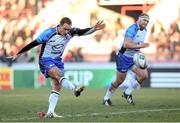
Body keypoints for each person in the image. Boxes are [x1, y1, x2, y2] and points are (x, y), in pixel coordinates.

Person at [9, 17, 105, 118]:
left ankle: (50, 113)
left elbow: (82, 32)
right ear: (59, 26)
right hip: (45, 60)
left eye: (68, 29)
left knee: (57, 85)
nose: (67, 31)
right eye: (65, 29)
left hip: (58, 61)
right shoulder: (48, 33)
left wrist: (94, 28)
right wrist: (18, 53)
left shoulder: (70, 32)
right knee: (59, 75)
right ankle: (75, 89)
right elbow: (33, 44)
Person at [103, 13, 150, 106]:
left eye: (148, 21)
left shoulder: (145, 30)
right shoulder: (132, 28)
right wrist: (141, 46)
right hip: (123, 57)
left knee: (144, 75)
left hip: (134, 57)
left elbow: (137, 44)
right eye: (144, 20)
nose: (146, 22)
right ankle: (106, 98)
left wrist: (140, 52)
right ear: (139, 19)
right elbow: (127, 44)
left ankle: (127, 93)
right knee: (119, 81)